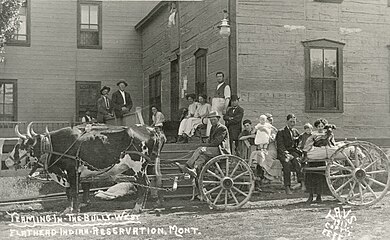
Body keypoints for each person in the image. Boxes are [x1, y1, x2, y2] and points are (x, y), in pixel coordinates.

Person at [176, 111, 230, 178]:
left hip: (221, 150)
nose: (212, 121)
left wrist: (205, 145)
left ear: (218, 119)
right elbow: (211, 140)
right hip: (214, 149)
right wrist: (207, 143)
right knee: (202, 156)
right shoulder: (213, 128)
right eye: (211, 120)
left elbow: (216, 142)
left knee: (200, 149)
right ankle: (194, 169)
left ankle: (187, 166)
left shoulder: (222, 128)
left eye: (214, 119)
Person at [302, 118, 329, 203]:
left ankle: (319, 196)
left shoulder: (327, 134)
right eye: (318, 126)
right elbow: (308, 143)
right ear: (316, 127)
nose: (320, 128)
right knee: (311, 176)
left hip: (322, 157)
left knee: (320, 177)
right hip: (314, 157)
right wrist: (306, 152)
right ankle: (310, 196)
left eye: (322, 126)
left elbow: (331, 143)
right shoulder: (313, 135)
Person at [276, 114, 303, 195]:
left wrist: (299, 152)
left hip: (293, 152)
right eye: (291, 121)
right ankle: (287, 186)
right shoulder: (281, 132)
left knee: (297, 161)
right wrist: (286, 154)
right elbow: (280, 145)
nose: (292, 123)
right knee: (287, 164)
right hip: (283, 153)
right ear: (287, 121)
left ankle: (301, 182)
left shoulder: (295, 131)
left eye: (294, 122)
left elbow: (298, 144)